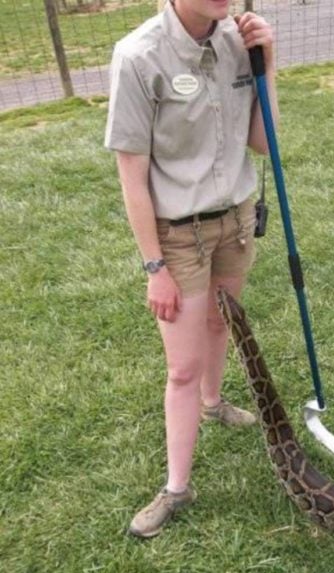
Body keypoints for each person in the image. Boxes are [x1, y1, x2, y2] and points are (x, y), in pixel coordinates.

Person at [104, 0, 279, 538]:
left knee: (220, 323)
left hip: (236, 220)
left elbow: (261, 140)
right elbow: (132, 179)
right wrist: (154, 264)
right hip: (179, 236)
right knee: (181, 366)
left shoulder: (238, 40)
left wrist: (267, 60)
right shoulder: (138, 56)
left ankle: (213, 402)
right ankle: (177, 488)